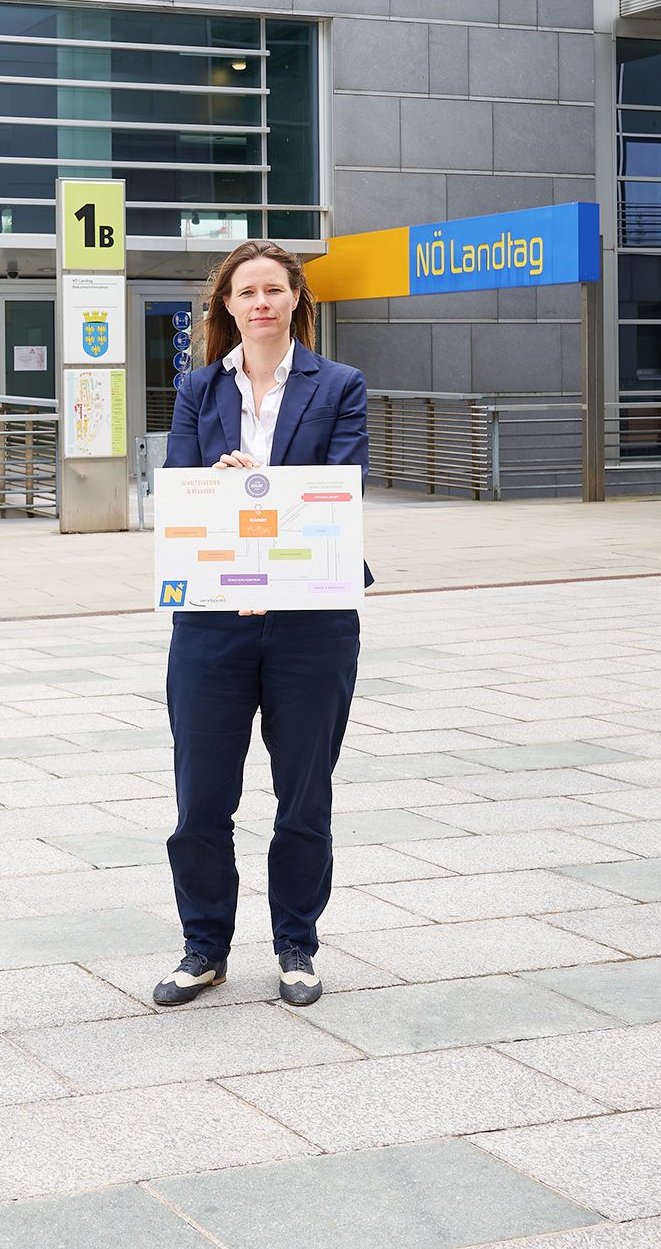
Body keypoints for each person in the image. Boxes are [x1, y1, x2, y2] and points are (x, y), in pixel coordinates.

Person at [153, 240, 369, 1009]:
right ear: (227, 306)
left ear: (296, 300)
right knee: (200, 798)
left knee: (304, 794)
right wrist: (214, 488)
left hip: (311, 615)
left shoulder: (340, 385)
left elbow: (336, 491)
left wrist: (257, 511)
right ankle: (203, 947)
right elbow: (178, 488)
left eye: (274, 289)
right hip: (213, 616)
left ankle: (296, 945)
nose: (261, 303)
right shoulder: (197, 390)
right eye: (246, 292)